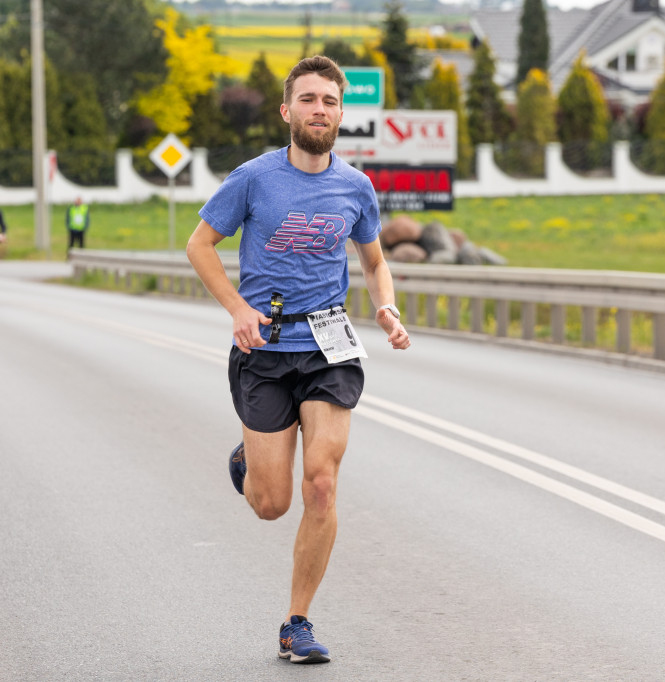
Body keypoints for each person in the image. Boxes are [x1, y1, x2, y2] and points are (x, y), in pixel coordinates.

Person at [186, 55, 411, 665]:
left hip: (328, 347)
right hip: (263, 348)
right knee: (271, 504)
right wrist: (236, 307)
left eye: (330, 102)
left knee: (322, 483)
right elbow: (200, 243)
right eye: (308, 99)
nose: (319, 110)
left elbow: (373, 261)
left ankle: (297, 623)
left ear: (341, 113)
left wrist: (386, 308)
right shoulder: (254, 179)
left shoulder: (356, 188)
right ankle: (251, 460)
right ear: (288, 111)